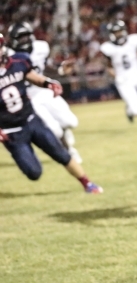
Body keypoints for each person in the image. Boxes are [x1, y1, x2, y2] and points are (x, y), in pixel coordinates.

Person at [0, 34, 102, 194]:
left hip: (31, 119)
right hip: (11, 131)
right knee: (34, 173)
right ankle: (24, 155)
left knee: (61, 153)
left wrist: (48, 83)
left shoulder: (18, 62)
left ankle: (87, 183)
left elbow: (32, 76)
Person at [7, 21, 83, 164]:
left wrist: (59, 69)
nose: (24, 40)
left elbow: (44, 66)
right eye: (20, 37)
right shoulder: (8, 56)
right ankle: (69, 151)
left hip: (45, 91)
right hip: (29, 98)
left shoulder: (40, 47)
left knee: (71, 122)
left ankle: (66, 139)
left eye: (26, 36)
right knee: (55, 130)